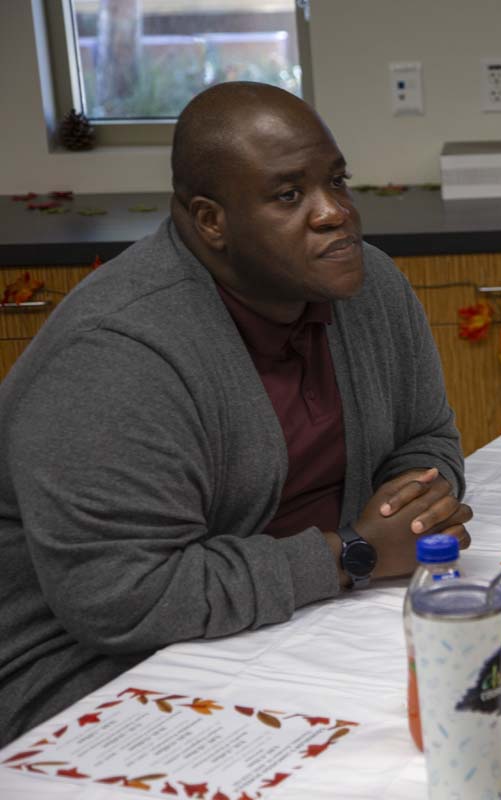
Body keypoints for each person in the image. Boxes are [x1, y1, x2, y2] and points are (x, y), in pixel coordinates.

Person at [0, 82, 471, 746]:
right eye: (290, 195)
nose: (335, 213)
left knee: (489, 696)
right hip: (92, 675)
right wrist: (354, 553)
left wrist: (415, 506)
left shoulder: (370, 286)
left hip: (292, 621)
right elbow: (123, 598)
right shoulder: (115, 355)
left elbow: (425, 433)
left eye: (337, 181)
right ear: (210, 222)